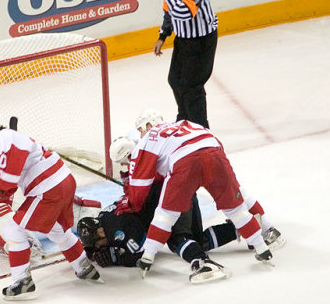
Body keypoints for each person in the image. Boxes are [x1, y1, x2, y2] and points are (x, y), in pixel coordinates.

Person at [118, 115, 285, 276]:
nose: (140, 133)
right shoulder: (183, 123)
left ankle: (148, 257)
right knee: (235, 207)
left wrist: (131, 203)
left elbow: (139, 187)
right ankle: (263, 247)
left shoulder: (146, 140)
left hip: (184, 163)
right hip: (214, 153)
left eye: (140, 129)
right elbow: (215, 142)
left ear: (147, 125)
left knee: (166, 214)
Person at [0, 108, 102, 300]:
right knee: (56, 229)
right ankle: (84, 267)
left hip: (48, 188)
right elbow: (11, 179)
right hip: (64, 180)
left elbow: (8, 177)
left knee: (14, 231)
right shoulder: (11, 136)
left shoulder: (0, 141)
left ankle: (23, 282)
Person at [153, 0, 218, 128]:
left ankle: (200, 128)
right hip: (183, 40)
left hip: (201, 41)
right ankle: (184, 118)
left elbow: (184, 12)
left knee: (192, 86)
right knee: (174, 80)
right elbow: (169, 12)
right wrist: (162, 36)